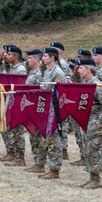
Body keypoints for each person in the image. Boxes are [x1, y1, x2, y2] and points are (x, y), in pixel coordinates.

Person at [75, 59, 102, 188]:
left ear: (88, 69)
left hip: (95, 122)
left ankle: (95, 179)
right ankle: (92, 177)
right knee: (88, 150)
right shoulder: (87, 83)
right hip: (87, 122)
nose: (78, 71)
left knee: (93, 150)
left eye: (80, 68)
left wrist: (100, 122)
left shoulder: (97, 85)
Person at [38, 47, 68, 179]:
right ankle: (51, 167)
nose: (43, 58)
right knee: (49, 140)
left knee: (54, 140)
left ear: (52, 57)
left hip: (55, 111)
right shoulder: (47, 71)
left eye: (45, 56)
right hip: (47, 109)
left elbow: (63, 91)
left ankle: (55, 169)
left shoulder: (58, 72)